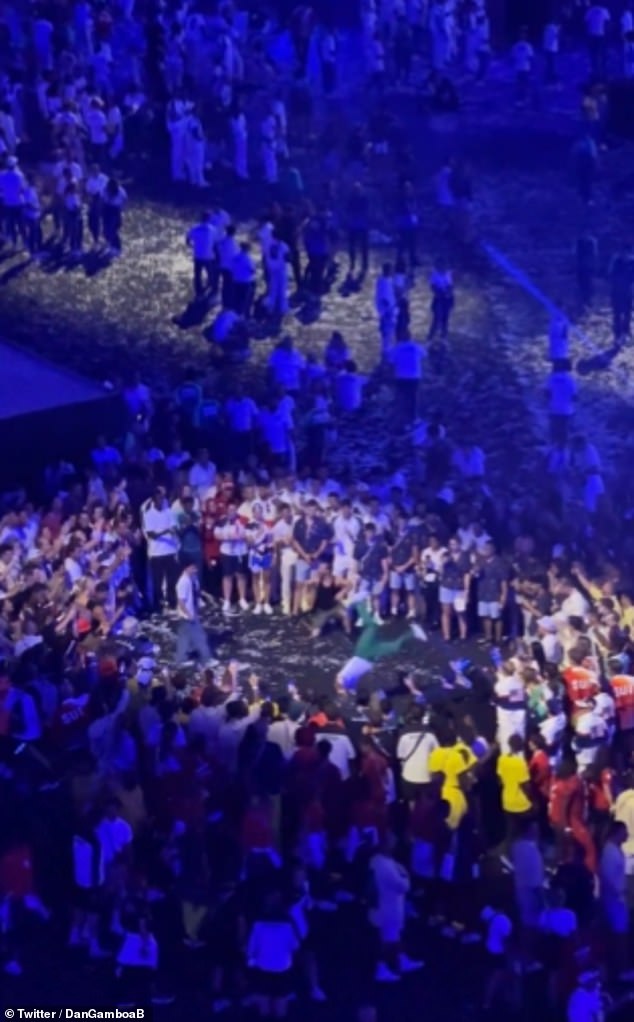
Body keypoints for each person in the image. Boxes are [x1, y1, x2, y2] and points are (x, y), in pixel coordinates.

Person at [335, 597, 427, 694]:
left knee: (372, 627)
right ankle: (412, 631)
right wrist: (348, 690)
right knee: (394, 647)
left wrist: (341, 688)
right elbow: (349, 682)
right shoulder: (350, 682)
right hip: (371, 656)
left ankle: (359, 604)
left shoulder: (343, 677)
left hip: (363, 652)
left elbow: (338, 679)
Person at [141, 486, 179, 614]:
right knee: (157, 582)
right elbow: (152, 534)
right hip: (156, 553)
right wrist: (166, 530)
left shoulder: (168, 511)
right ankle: (158, 606)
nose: (161, 501)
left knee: (171, 580)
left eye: (163, 498)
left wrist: (172, 531)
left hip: (170, 551)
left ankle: (172, 603)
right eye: (159, 499)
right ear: (153, 499)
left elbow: (173, 526)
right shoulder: (148, 514)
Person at [175, 560, 211, 665]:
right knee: (199, 636)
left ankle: (181, 659)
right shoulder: (182, 582)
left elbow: (196, 591)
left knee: (184, 638)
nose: (195, 569)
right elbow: (181, 601)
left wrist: (206, 596)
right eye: (193, 568)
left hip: (193, 611)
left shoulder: (193, 578)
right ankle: (206, 659)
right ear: (186, 568)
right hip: (187, 615)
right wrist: (189, 615)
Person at [186, 211, 218, 298]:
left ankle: (198, 292)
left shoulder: (195, 228)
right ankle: (210, 291)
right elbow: (215, 243)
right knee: (210, 274)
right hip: (209, 256)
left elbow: (188, 239)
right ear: (209, 218)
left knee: (197, 275)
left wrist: (192, 246)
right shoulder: (213, 229)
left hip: (198, 255)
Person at [427, 259, 454, 341]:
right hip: (439, 299)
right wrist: (440, 292)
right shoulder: (434, 275)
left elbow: (450, 286)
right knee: (436, 318)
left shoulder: (448, 274)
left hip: (447, 299)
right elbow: (432, 286)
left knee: (445, 318)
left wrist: (447, 292)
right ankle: (430, 337)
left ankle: (443, 337)